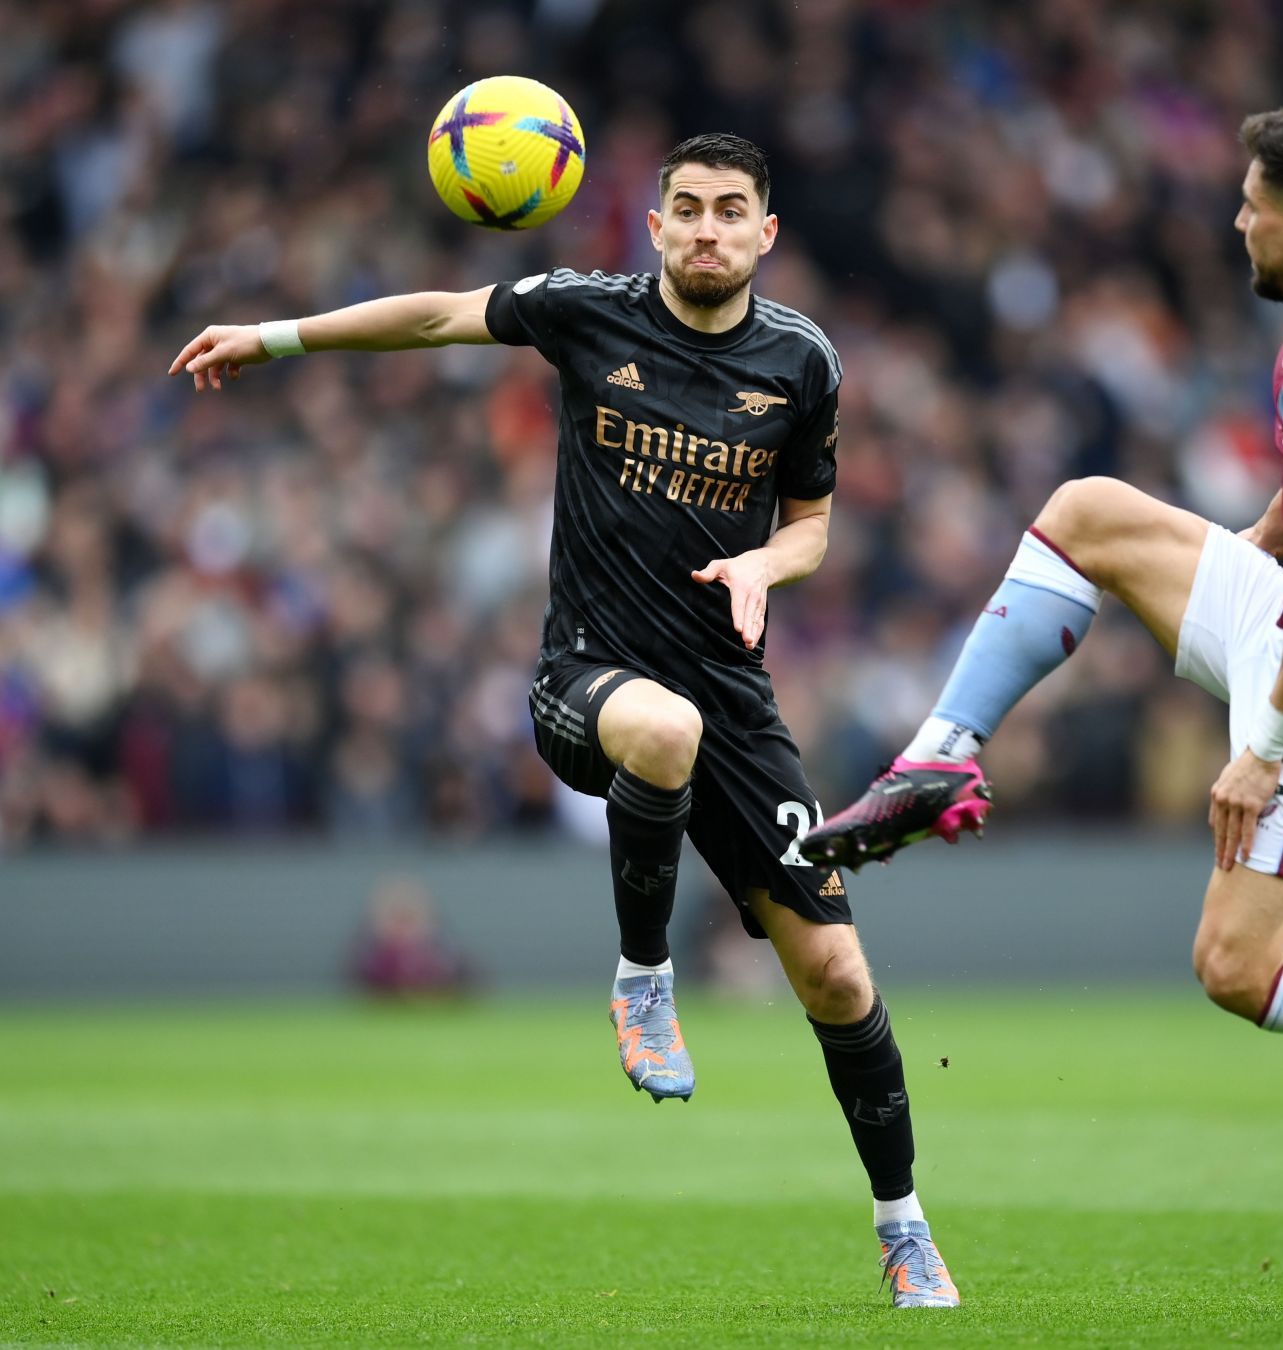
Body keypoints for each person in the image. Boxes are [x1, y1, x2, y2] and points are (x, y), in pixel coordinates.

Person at [168, 133, 959, 1308]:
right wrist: (277, 337)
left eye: (728, 211)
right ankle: (644, 979)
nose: (704, 228)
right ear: (654, 227)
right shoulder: (589, 310)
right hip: (587, 676)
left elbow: (813, 525)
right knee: (661, 734)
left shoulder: (802, 361)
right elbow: (440, 317)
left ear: (764, 234)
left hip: (732, 696)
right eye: (684, 208)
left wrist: (764, 568)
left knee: (839, 977)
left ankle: (904, 1229)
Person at [803, 109, 1283, 1217]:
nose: (1237, 218)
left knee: (1236, 969)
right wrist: (1259, 545)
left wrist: (1261, 750)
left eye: (1252, 202)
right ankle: (939, 759)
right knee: (1087, 513)